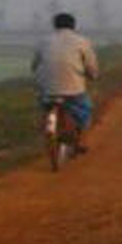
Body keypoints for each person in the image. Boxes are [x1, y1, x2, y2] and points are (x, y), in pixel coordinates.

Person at [32, 12, 99, 152]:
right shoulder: (82, 41)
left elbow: (35, 65)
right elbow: (91, 66)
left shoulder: (43, 41)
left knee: (45, 106)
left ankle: (47, 126)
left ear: (54, 25)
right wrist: (93, 76)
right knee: (85, 111)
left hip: (47, 88)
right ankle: (80, 140)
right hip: (73, 89)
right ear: (73, 26)